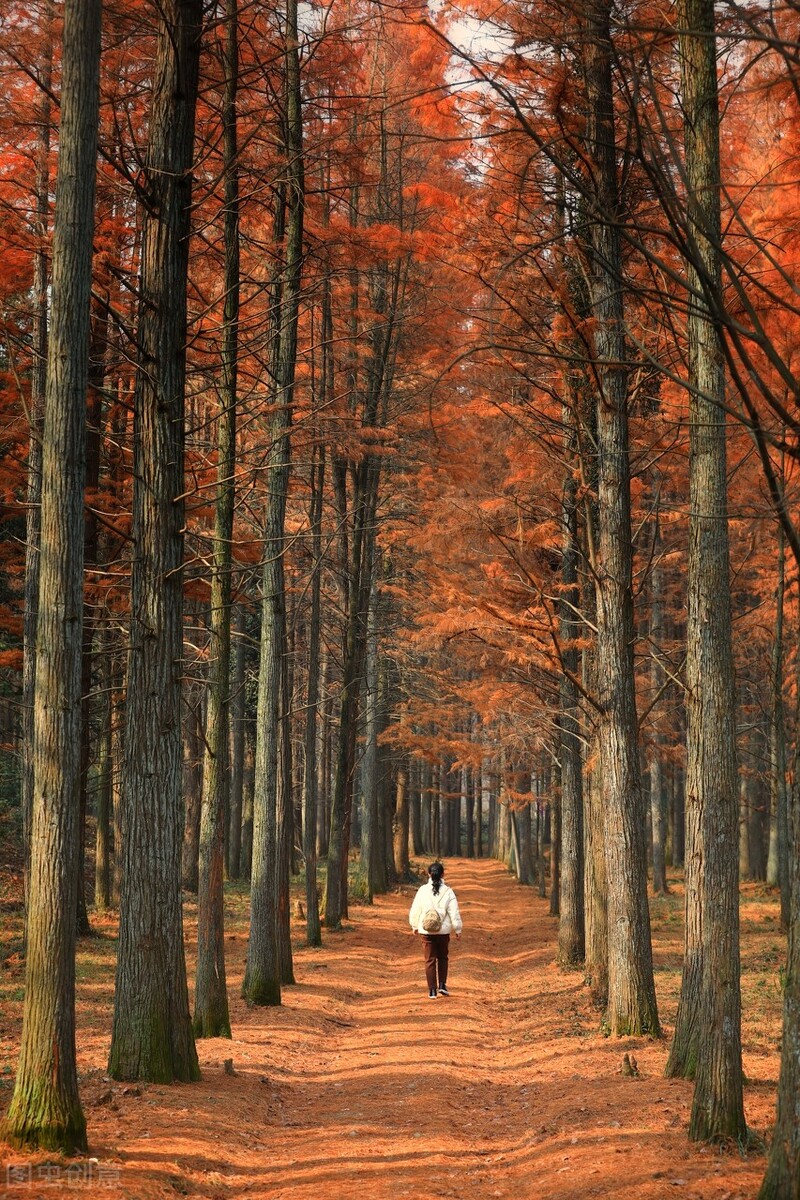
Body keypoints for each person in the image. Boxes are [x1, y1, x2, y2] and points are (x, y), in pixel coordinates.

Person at [409, 861, 462, 998]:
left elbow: (415, 909)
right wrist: (457, 929)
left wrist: (414, 925)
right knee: (443, 957)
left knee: (429, 959)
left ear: (428, 874)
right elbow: (454, 912)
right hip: (443, 932)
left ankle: (432, 990)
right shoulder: (448, 892)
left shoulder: (422, 890)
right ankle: (442, 985)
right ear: (443, 874)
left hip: (426, 931)